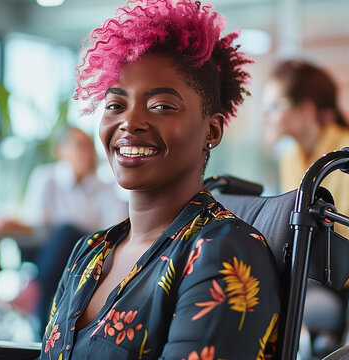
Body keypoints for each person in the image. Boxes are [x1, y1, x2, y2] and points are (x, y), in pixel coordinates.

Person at [40, 1, 280, 359]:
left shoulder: (222, 252)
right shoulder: (89, 252)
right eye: (115, 105)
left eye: (162, 106)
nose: (129, 122)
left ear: (211, 131)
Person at [262, 59, 349, 285]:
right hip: (321, 275)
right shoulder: (291, 159)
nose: (267, 116)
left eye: (275, 106)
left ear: (306, 110)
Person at [14, 127, 128, 334]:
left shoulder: (104, 189)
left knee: (70, 235)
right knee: (64, 236)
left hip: (87, 257)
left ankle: (35, 290)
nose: (85, 152)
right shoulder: (46, 178)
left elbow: (117, 230)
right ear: (60, 151)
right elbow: (36, 223)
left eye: (88, 147)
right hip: (48, 251)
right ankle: (43, 328)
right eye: (78, 146)